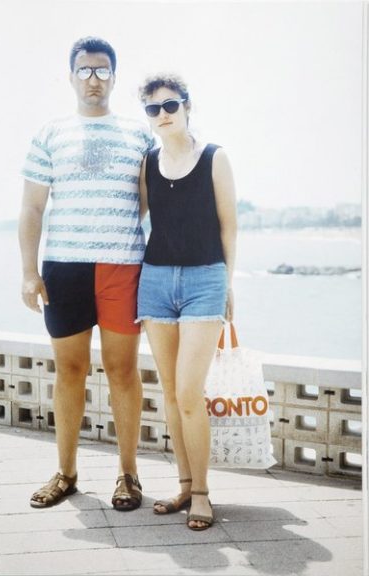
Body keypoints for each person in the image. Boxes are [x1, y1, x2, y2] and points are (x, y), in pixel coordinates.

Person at [18, 36, 154, 511]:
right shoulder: (50, 133)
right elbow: (32, 208)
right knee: (70, 370)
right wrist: (29, 272)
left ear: (114, 77)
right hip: (64, 268)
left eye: (102, 70)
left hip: (122, 266)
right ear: (71, 76)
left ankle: (128, 475)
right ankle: (66, 473)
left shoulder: (139, 135)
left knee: (123, 370)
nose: (93, 79)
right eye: (84, 70)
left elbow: (146, 203)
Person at [136, 74, 237, 530]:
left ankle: (201, 493)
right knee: (172, 395)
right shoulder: (147, 163)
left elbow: (229, 226)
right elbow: (138, 217)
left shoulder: (215, 158)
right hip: (155, 282)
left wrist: (227, 284)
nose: (163, 114)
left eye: (170, 105)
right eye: (153, 108)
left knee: (189, 393)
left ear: (187, 106)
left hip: (204, 281)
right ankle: (182, 484)